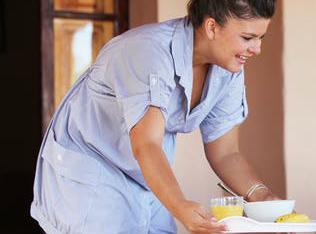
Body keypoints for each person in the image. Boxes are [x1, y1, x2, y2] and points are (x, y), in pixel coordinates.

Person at [30, 0, 279, 233]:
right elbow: (146, 144)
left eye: (261, 38)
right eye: (248, 38)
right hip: (93, 170)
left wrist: (263, 198)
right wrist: (180, 205)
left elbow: (225, 153)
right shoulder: (147, 51)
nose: (257, 49)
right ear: (212, 26)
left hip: (147, 175)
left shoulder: (228, 68)